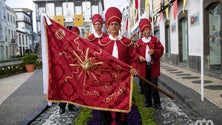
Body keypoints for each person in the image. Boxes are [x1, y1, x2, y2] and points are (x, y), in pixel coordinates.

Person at [98, 7, 138, 125]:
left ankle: (121, 122)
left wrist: (134, 68)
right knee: (106, 105)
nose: (114, 26)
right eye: (111, 24)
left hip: (122, 80)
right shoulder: (102, 44)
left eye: (116, 24)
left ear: (120, 26)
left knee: (121, 105)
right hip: (106, 81)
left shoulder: (126, 42)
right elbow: (97, 61)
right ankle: (106, 122)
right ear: (108, 27)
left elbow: (133, 57)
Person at [135, 18, 164, 110]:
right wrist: (139, 57)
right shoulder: (139, 43)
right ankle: (148, 102)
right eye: (146, 30)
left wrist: (154, 52)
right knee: (145, 85)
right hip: (143, 67)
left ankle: (157, 103)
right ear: (142, 32)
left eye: (149, 30)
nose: (148, 31)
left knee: (154, 85)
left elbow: (161, 50)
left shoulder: (155, 40)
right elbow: (135, 54)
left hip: (153, 66)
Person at [58, 26, 81, 114]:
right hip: (64, 69)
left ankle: (71, 105)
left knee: (73, 88)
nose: (75, 36)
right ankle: (62, 106)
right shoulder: (64, 43)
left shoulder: (79, 44)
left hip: (74, 70)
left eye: (76, 35)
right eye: (73, 34)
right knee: (64, 88)